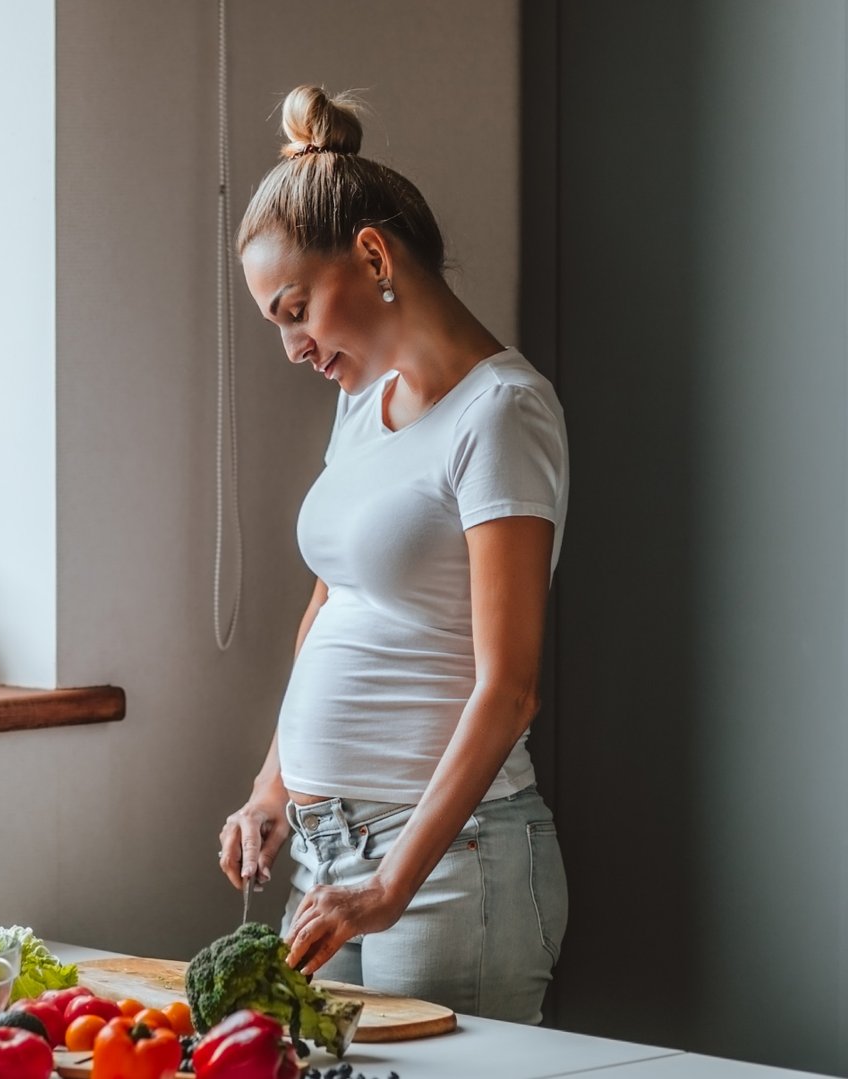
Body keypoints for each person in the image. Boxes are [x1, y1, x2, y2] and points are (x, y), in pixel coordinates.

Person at [217, 86, 570, 1024]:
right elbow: (332, 602)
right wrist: (272, 788)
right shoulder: (360, 405)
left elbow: (509, 687)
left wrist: (390, 887)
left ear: (371, 254)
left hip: (451, 868)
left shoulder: (502, 414)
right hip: (326, 857)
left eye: (295, 309)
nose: (293, 346)